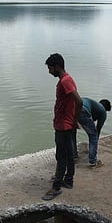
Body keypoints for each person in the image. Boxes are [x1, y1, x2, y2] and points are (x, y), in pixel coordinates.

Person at [42, 53, 82, 201]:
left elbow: (79, 101)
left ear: (57, 67)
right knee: (70, 154)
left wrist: (74, 120)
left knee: (61, 156)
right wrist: (73, 121)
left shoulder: (65, 81)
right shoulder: (67, 79)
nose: (49, 71)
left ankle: (56, 187)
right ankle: (68, 180)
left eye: (50, 68)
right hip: (66, 124)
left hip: (64, 126)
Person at [72, 98, 111, 168]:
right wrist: (95, 143)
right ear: (106, 108)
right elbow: (97, 130)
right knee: (93, 136)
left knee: (72, 134)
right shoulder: (103, 111)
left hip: (71, 108)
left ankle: (74, 157)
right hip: (82, 110)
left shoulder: (94, 105)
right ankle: (93, 162)